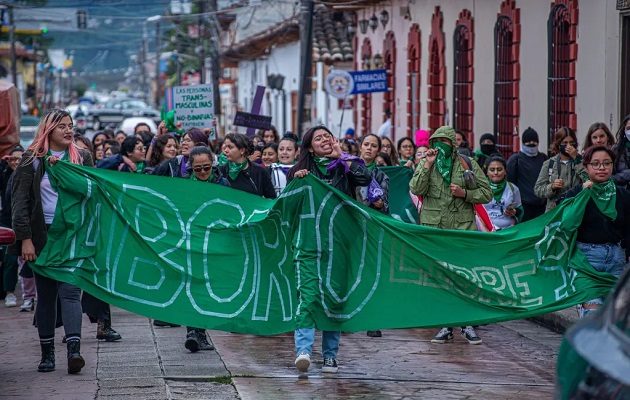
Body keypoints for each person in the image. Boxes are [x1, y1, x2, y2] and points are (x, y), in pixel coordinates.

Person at [12, 108, 93, 373]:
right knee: (46, 295)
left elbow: (93, 195)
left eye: (71, 126)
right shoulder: (31, 160)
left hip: (72, 235)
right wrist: (25, 239)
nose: (69, 130)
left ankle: (74, 351)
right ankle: (47, 354)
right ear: (49, 130)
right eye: (63, 127)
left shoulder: (82, 158)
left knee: (70, 291)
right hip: (43, 235)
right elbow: (20, 204)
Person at [287, 125, 372, 374]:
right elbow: (289, 203)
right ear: (309, 146)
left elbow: (365, 178)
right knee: (309, 295)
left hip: (338, 245)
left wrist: (341, 157)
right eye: (318, 138)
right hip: (308, 244)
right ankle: (303, 350)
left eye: (327, 136)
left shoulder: (346, 165)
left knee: (334, 298)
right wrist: (296, 179)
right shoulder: (301, 170)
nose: (324, 140)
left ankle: (330, 355)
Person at [409, 126, 492, 345]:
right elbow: (415, 187)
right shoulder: (428, 163)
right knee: (441, 279)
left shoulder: (467, 164)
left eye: (445, 142)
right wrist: (426, 165)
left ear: (453, 145)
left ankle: (466, 324)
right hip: (435, 230)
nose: (440, 147)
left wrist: (464, 193)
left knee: (463, 277)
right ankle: (445, 324)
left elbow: (486, 193)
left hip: (461, 229)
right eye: (436, 142)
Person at [561, 146, 630, 317]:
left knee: (614, 317)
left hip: (616, 259)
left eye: (607, 163)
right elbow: (567, 224)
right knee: (592, 316)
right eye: (596, 164)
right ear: (586, 167)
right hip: (587, 260)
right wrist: (583, 196)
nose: (602, 168)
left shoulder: (623, 195)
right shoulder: (576, 193)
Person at [357, 133, 390, 338]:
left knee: (371, 272)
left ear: (378, 151)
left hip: (370, 228)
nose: (369, 148)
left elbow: (386, 206)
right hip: (349, 224)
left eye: (373, 146)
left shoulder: (381, 176)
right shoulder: (346, 169)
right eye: (366, 144)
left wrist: (380, 204)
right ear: (360, 147)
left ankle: (372, 320)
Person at [534, 127, 585, 211]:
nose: (568, 146)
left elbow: (589, 180)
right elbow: (538, 190)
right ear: (558, 144)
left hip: (575, 210)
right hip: (554, 212)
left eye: (572, 143)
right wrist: (552, 187)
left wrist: (577, 159)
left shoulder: (582, 161)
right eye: (565, 143)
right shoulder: (549, 163)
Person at [506, 127, 548, 221]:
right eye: (528, 142)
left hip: (542, 206)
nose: (531, 144)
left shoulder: (544, 158)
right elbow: (510, 183)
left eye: (534, 142)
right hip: (523, 206)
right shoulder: (515, 160)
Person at [1, 146, 24, 307]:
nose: (15, 162)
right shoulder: (4, 174)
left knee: (19, 260)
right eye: (13, 159)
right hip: (6, 222)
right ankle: (7, 291)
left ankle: (17, 293)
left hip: (23, 223)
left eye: (19, 159)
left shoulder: (29, 174)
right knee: (8, 258)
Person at [219, 133, 276, 198]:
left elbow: (271, 199)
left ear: (242, 150)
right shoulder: (220, 171)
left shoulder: (260, 172)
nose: (226, 150)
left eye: (230, 147)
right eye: (225, 147)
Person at [483, 156, 523, 229]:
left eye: (499, 169)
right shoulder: (480, 188)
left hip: (508, 231)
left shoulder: (513, 188)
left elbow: (520, 211)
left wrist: (514, 212)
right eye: (492, 170)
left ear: (505, 171)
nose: (496, 173)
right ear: (487, 172)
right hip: (485, 231)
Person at [612, 115, 630, 188]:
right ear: (624, 130)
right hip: (622, 192)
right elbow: (609, 175)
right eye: (629, 128)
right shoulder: (617, 149)